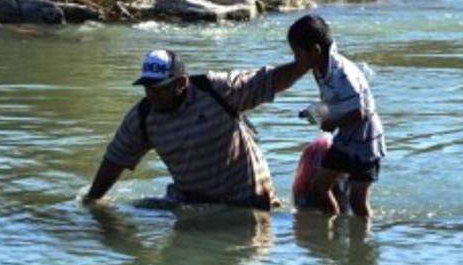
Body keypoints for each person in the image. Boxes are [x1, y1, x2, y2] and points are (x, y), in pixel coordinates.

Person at [84, 48, 313, 210]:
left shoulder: (216, 90)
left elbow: (268, 80)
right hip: (193, 205)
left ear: (181, 83)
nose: (151, 94)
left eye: (159, 88)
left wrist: (303, 65)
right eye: (147, 87)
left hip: (250, 203)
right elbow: (115, 159)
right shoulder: (143, 118)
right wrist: (92, 200)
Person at [287, 14, 385, 217]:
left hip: (365, 143)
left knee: (358, 202)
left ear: (315, 50)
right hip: (345, 139)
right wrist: (316, 111)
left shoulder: (342, 73)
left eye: (297, 54)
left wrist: (332, 123)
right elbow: (336, 101)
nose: (296, 59)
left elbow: (360, 112)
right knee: (318, 188)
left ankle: (364, 244)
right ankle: (333, 224)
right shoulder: (320, 68)